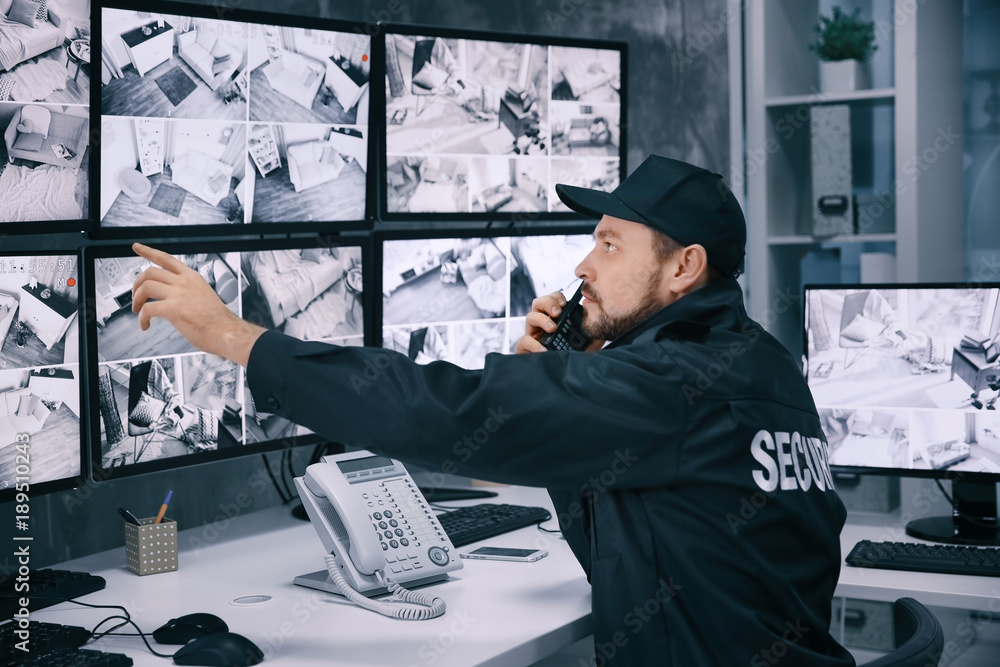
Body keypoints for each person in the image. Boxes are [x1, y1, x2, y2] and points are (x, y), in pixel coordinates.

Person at [130, 155, 854, 666]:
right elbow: (620, 547)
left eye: (609, 244)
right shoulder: (760, 361)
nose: (584, 266)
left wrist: (236, 338)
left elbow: (445, 410)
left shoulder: (669, 384)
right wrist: (568, 378)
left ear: (683, 267)